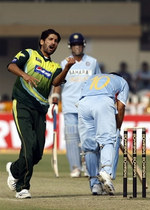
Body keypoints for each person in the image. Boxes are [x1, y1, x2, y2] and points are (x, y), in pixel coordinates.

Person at [6, 29, 75, 199]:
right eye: (50, 39)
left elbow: (56, 81)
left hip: (40, 109)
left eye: (56, 41)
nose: (53, 43)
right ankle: (22, 187)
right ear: (42, 41)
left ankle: (14, 170)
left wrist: (66, 68)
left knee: (37, 154)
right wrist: (25, 75)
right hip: (22, 104)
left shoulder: (54, 66)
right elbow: (11, 66)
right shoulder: (29, 54)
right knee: (29, 146)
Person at [49, 33, 101, 177]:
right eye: (74, 45)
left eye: (79, 44)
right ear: (70, 46)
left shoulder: (93, 62)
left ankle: (87, 166)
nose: (77, 47)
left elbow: (99, 82)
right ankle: (75, 167)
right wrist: (55, 96)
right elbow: (58, 82)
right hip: (70, 105)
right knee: (72, 137)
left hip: (88, 105)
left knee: (88, 138)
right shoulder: (64, 63)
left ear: (83, 45)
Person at [77, 72, 129, 195]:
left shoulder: (94, 77)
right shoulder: (122, 82)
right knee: (107, 141)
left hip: (83, 104)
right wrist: (117, 129)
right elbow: (120, 107)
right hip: (103, 103)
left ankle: (95, 184)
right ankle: (106, 172)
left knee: (89, 147)